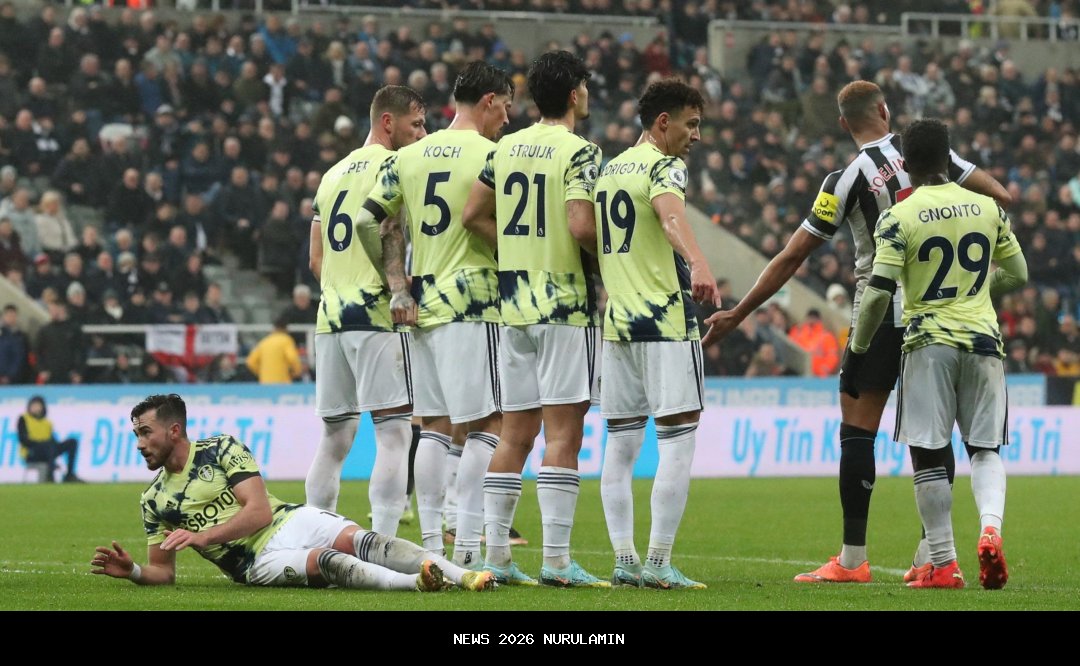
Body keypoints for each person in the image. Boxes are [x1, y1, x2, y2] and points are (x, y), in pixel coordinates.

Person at [701, 80, 1011, 584]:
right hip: (937, 311)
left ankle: (852, 560)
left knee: (858, 428)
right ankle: (932, 554)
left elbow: (794, 255)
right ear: (886, 112)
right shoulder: (931, 154)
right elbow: (999, 196)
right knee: (933, 436)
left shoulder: (844, 180)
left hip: (878, 310)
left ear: (844, 124)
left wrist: (739, 312)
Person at [840, 119, 1025, 590]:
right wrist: (977, 292)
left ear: (906, 164)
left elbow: (879, 292)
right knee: (984, 448)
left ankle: (943, 564)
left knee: (927, 451)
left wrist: (858, 351)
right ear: (949, 158)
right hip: (984, 339)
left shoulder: (899, 216)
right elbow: (1018, 274)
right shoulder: (988, 208)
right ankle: (990, 528)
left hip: (928, 342)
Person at [90, 394, 495, 591]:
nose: (139, 443)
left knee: (362, 540)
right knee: (329, 561)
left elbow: (260, 512)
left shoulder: (221, 449)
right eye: (136, 435)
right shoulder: (154, 501)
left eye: (145, 432)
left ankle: (468, 576)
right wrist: (136, 573)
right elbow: (164, 572)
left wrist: (202, 537)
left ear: (173, 430)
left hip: (288, 519)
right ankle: (419, 584)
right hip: (254, 562)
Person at [461, 50, 605, 587]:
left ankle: (496, 557)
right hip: (562, 307)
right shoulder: (581, 151)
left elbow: (473, 214)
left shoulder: (506, 147)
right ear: (573, 94)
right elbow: (582, 225)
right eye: (585, 87)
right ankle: (558, 562)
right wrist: (606, 268)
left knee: (515, 433)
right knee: (564, 434)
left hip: (511, 306)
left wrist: (520, 250)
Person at [360, 61, 512, 568]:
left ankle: (429, 548)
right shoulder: (493, 154)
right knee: (490, 422)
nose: (507, 119)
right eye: (506, 106)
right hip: (474, 301)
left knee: (436, 426)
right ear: (488, 100)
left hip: (420, 307)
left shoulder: (409, 155)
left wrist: (397, 287)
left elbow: (370, 222)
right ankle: (467, 548)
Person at [595, 79, 720, 589]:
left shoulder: (609, 170)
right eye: (690, 124)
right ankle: (659, 561)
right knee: (678, 438)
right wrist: (699, 262)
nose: (696, 136)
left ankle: (624, 561)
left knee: (619, 446)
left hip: (618, 323)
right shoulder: (664, 166)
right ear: (663, 122)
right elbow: (670, 216)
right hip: (665, 320)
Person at [303, 85, 428, 538]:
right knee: (394, 433)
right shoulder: (399, 166)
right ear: (388, 123)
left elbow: (315, 260)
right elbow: (386, 225)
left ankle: (316, 538)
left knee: (334, 439)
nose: (423, 134)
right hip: (377, 313)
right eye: (416, 124)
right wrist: (395, 286)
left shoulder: (332, 174)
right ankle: (388, 542)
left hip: (330, 316)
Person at [18, 395, 83, 483]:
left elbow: (52, 440)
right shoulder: (24, 419)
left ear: (42, 407)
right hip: (32, 452)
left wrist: (53, 445)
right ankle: (50, 475)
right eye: (33, 405)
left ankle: (69, 474)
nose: (35, 408)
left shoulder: (47, 423)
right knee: (48, 445)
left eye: (38, 405)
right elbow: (23, 440)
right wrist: (41, 444)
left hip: (47, 451)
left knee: (72, 442)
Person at [245, 316, 302, 384]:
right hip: (282, 382)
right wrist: (296, 372)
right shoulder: (286, 340)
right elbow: (292, 358)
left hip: (265, 383)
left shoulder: (265, 341)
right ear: (286, 329)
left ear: (274, 328)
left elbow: (250, 361)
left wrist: (260, 373)